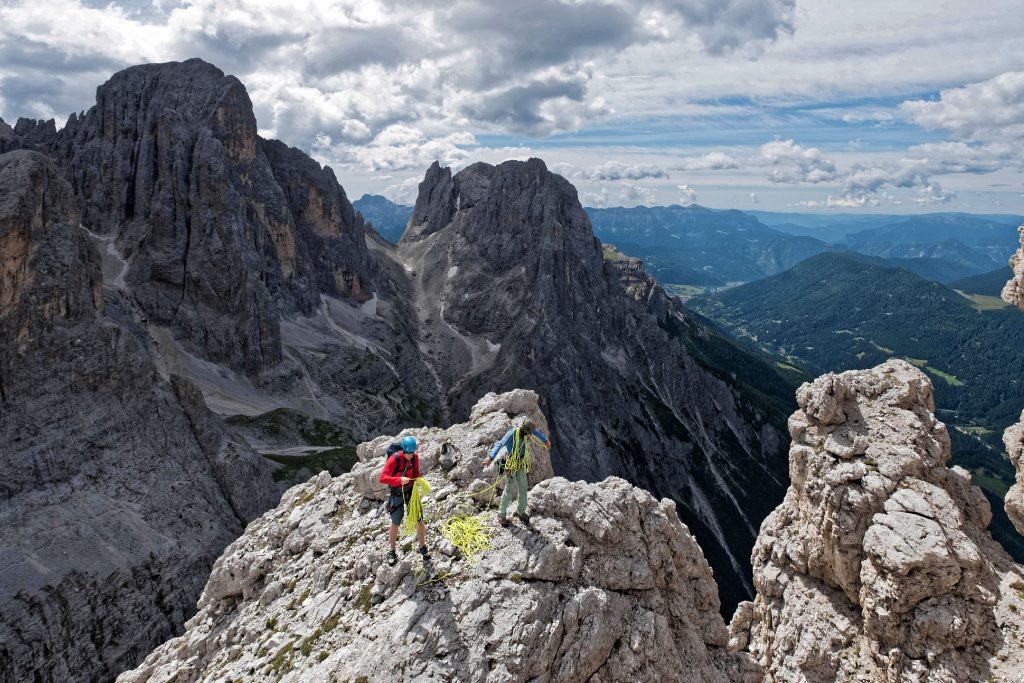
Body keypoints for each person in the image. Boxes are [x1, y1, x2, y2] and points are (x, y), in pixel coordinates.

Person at [481, 420, 552, 527]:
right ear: (525, 430)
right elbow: (500, 443)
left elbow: (535, 431)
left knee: (523, 487)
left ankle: (520, 511)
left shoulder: (527, 430)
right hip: (512, 464)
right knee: (509, 490)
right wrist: (491, 457)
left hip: (521, 463)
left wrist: (545, 440)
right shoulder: (512, 433)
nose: (529, 435)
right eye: (528, 433)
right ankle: (501, 514)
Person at [379, 435, 428, 566]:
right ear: (404, 450)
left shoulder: (414, 457)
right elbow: (382, 478)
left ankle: (423, 547)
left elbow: (416, 472)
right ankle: (392, 551)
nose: (411, 456)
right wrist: (399, 480)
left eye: (413, 453)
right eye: (409, 453)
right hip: (397, 494)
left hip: (411, 492)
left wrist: (418, 479)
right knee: (395, 522)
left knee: (419, 519)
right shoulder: (394, 459)